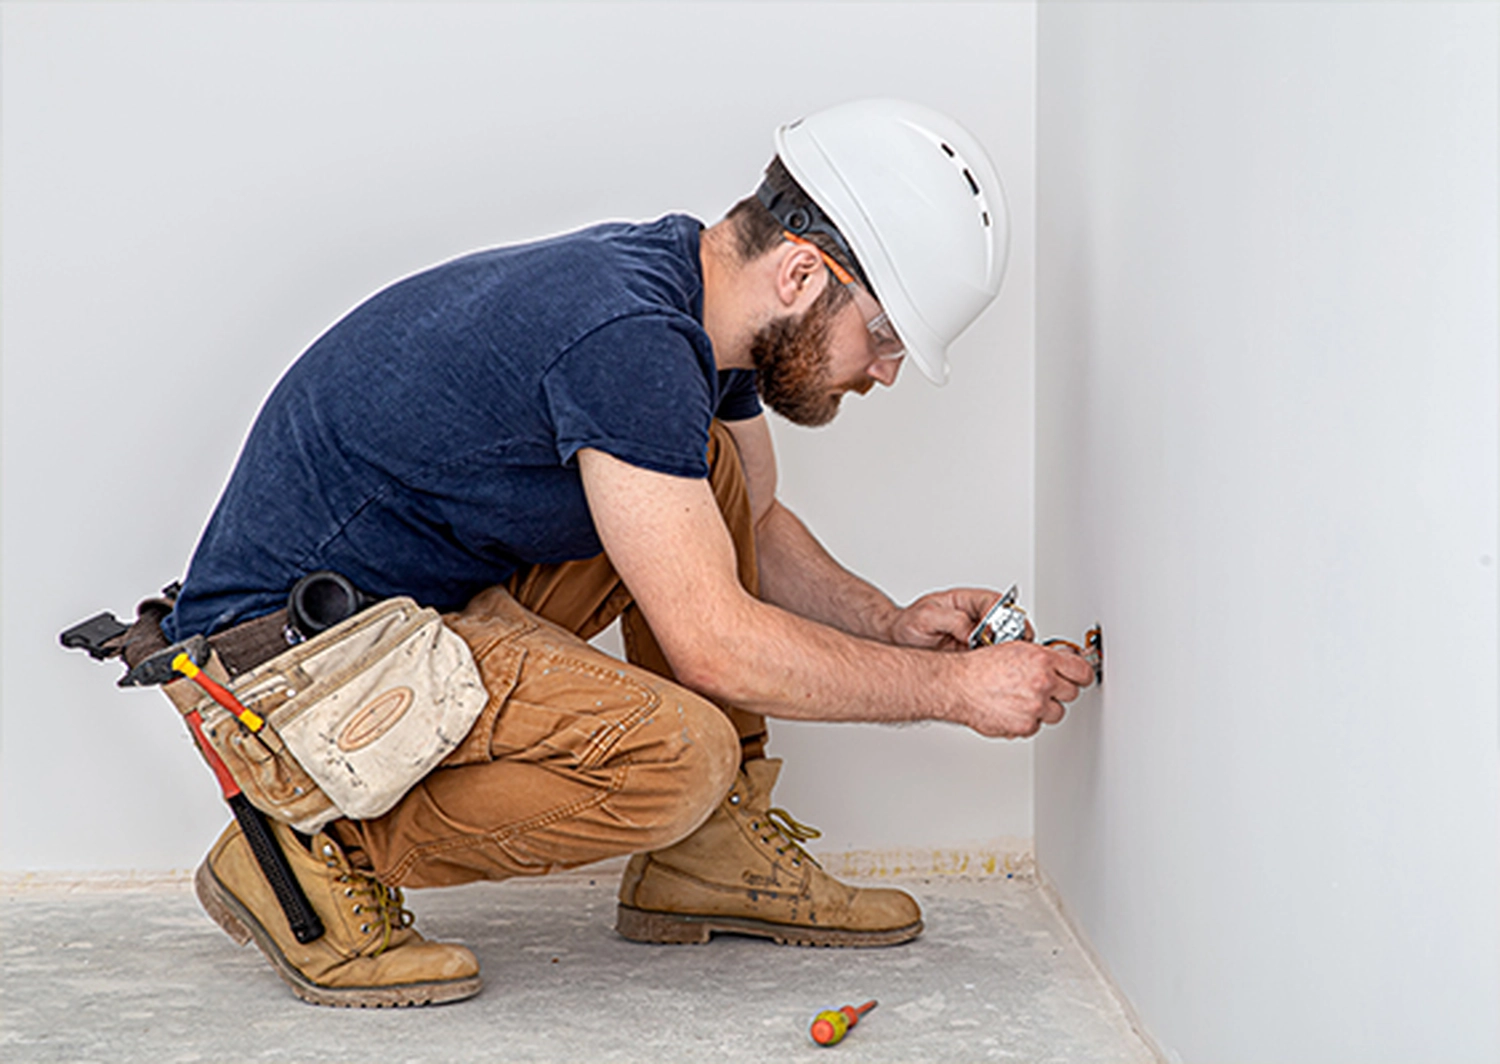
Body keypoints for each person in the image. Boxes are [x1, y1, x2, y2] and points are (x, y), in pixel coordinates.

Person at [162, 99, 1095, 1007]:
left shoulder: (690, 307)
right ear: (802, 274)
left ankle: (706, 854)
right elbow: (715, 649)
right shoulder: (629, 341)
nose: (885, 371)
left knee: (711, 468)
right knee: (678, 755)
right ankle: (299, 852)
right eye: (884, 335)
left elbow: (753, 519)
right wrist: (954, 692)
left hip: (412, 605)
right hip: (287, 664)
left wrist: (888, 625)